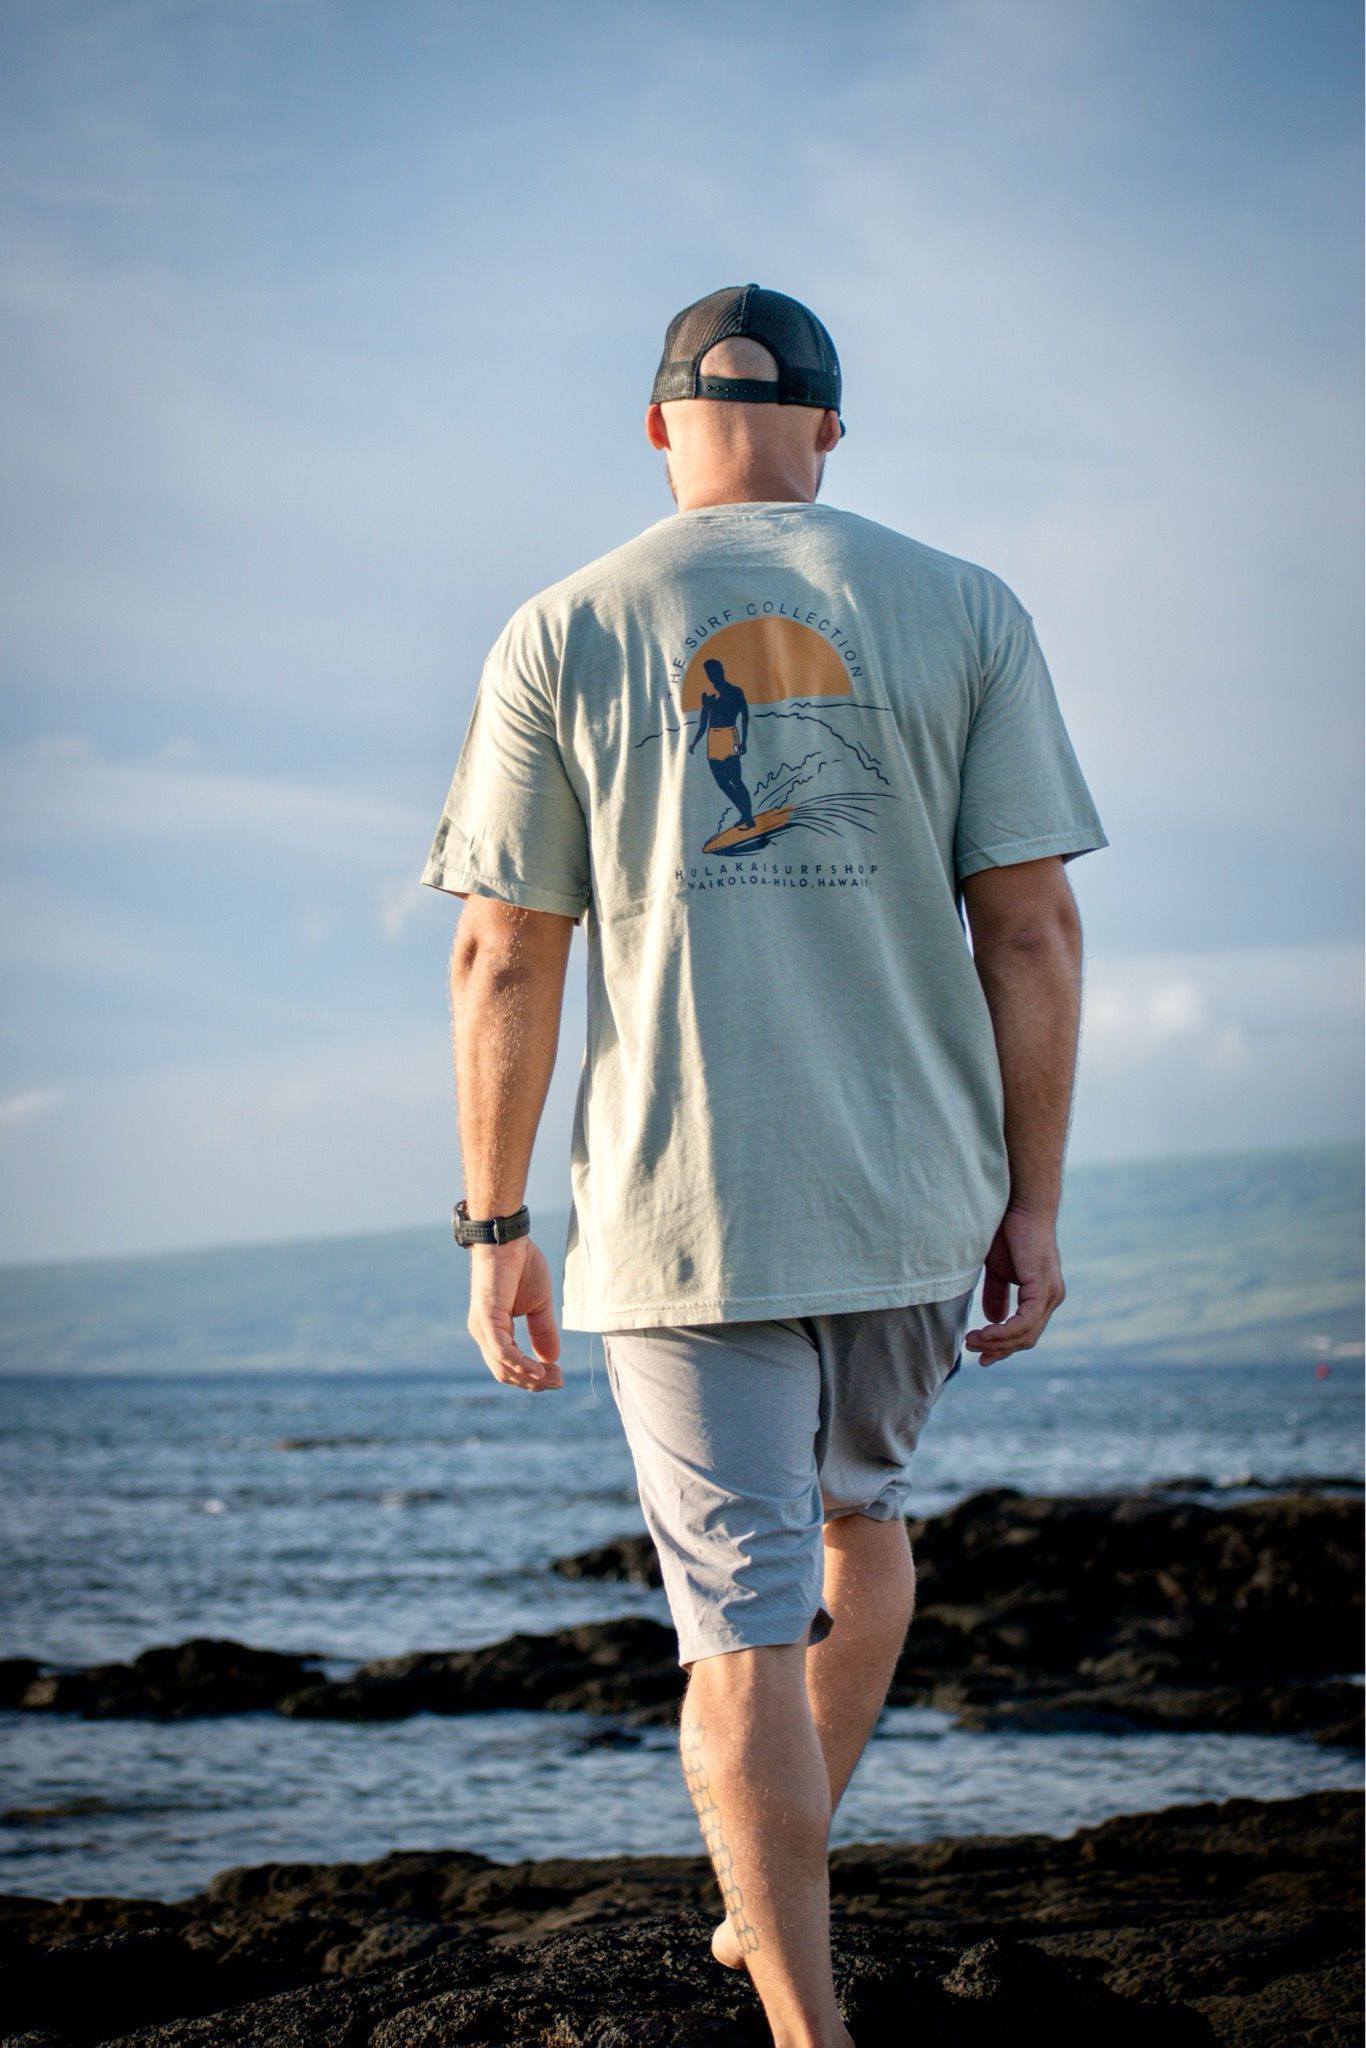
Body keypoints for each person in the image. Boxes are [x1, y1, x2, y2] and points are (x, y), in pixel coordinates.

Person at [419, 282, 1109, 2048]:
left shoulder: (558, 628)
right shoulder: (959, 605)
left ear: (659, 428)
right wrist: (1031, 1198)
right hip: (910, 1191)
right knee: (859, 1524)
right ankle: (769, 1898)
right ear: (825, 434)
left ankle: (803, 2014)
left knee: (731, 1624)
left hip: (676, 1203)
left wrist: (494, 1218)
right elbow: (1026, 930)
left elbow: (507, 951)